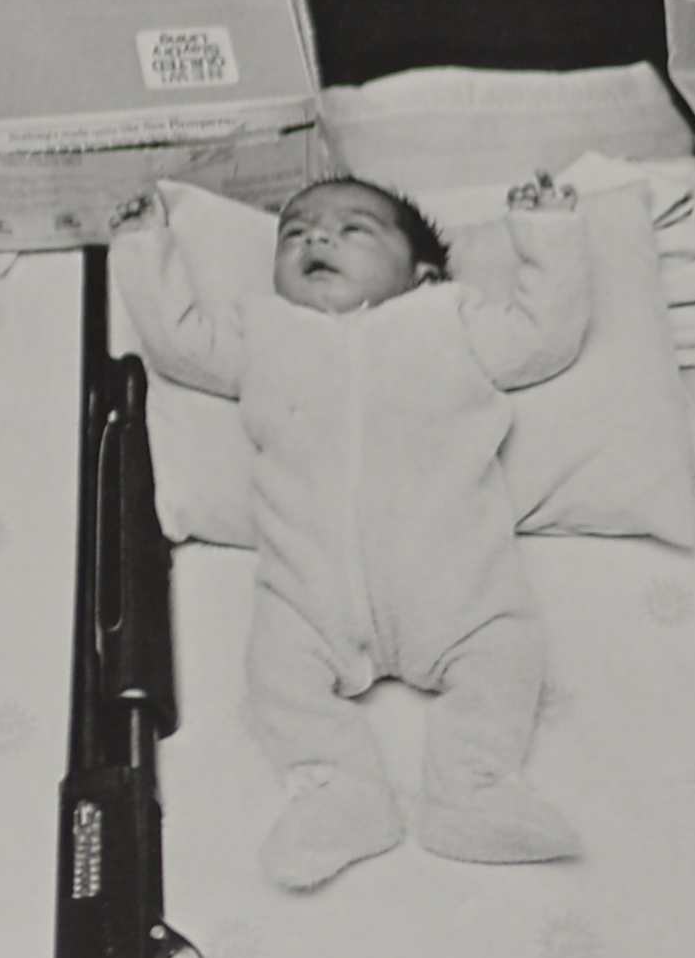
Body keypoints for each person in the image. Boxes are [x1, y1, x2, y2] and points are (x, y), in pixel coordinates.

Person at [116, 171, 594, 888]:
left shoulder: (448, 321)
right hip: (310, 591)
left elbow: (544, 334)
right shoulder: (263, 333)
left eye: (353, 229)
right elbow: (177, 345)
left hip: (454, 582)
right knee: (277, 675)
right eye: (294, 233)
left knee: (506, 652)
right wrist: (141, 244)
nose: (316, 237)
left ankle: (474, 785)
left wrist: (549, 233)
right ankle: (342, 792)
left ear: (422, 275)